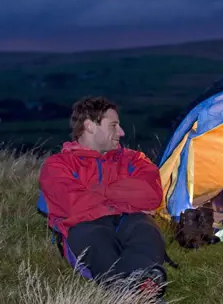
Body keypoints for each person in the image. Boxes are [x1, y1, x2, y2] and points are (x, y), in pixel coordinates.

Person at [38, 96, 168, 300]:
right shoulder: (57, 165)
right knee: (97, 239)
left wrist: (98, 192)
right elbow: (72, 206)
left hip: (128, 221)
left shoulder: (134, 159)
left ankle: (137, 284)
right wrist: (124, 200)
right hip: (85, 228)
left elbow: (152, 195)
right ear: (90, 126)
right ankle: (135, 291)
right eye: (114, 125)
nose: (122, 132)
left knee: (145, 229)